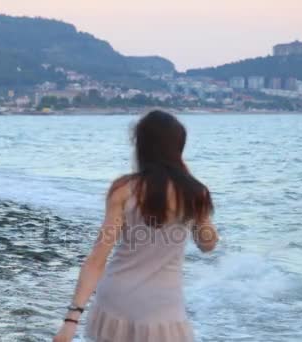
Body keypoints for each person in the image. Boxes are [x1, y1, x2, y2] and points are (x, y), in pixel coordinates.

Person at [53, 110, 219, 342]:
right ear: (179, 148)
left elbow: (97, 259)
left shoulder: (123, 189)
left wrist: (71, 320)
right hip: (163, 308)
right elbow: (208, 244)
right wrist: (193, 193)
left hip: (117, 302)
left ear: (141, 146)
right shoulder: (195, 193)